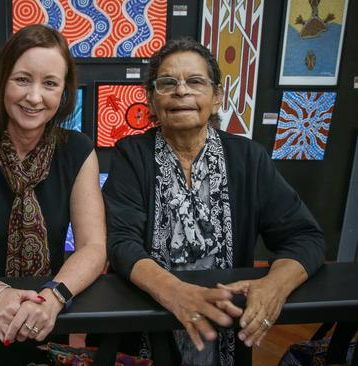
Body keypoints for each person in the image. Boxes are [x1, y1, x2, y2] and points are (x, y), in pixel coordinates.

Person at [103, 38, 325, 365]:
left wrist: (274, 286)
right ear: (151, 100)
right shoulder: (131, 155)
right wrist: (175, 292)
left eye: (195, 81)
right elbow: (121, 241)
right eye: (167, 83)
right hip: (148, 327)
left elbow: (305, 236)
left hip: (227, 332)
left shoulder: (248, 158)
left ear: (217, 97)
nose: (181, 91)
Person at [0, 24, 107, 365]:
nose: (34, 97)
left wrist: (54, 298)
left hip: (46, 314)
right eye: (22, 79)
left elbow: (94, 247)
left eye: (50, 84)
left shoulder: (78, 151)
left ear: (63, 93)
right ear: (2, 81)